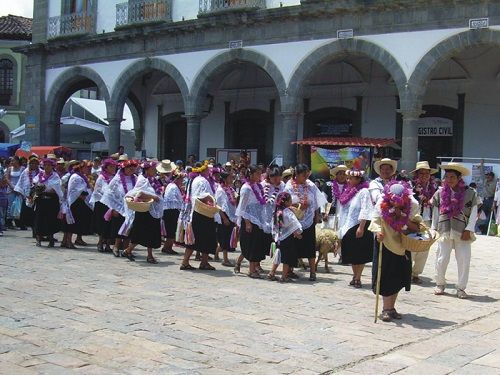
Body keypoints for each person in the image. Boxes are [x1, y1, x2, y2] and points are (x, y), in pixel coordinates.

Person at [369, 181, 422, 322]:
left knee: (398, 278)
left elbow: (417, 226)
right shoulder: (381, 202)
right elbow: (375, 220)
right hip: (385, 243)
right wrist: (378, 232)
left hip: (403, 243)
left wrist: (402, 217)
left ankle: (391, 308)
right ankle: (386, 309)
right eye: (393, 201)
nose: (395, 204)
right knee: (386, 277)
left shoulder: (412, 205)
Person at [432, 162, 478, 299]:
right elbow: (435, 211)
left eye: (452, 177)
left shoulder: (470, 193)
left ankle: (461, 288)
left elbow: (474, 212)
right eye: (447, 177)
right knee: (441, 258)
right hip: (444, 229)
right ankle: (440, 284)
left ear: (459, 178)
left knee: (464, 259)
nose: (449, 179)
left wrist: (469, 229)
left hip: (462, 230)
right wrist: (434, 228)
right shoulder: (440, 192)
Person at [284, 164, 327, 281]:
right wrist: (299, 206)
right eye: (303, 175)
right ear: (296, 175)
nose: (305, 178)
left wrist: (317, 214)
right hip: (294, 221)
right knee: (293, 247)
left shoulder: (311, 185)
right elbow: (284, 202)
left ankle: (313, 272)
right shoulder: (288, 186)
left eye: (307, 175)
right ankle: (290, 270)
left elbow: (317, 201)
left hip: (309, 220)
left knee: (310, 246)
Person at [123, 161, 164, 263]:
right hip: (143, 210)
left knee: (151, 233)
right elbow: (138, 194)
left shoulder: (153, 180)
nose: (155, 171)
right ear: (147, 170)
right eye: (153, 169)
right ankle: (129, 250)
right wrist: (153, 197)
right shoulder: (142, 179)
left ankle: (148, 255)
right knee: (139, 233)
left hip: (152, 210)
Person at [337, 170, 373, 288]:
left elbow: (365, 209)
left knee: (359, 254)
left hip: (358, 226)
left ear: (358, 180)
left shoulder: (364, 192)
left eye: (351, 178)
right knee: (352, 253)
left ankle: (358, 277)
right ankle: (354, 275)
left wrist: (361, 227)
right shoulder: (348, 191)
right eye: (348, 178)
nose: (348, 180)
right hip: (348, 226)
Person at [101, 159, 138, 257]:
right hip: (120, 207)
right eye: (129, 168)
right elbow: (109, 194)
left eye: (133, 168)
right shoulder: (117, 179)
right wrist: (114, 208)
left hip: (131, 207)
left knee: (129, 229)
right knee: (118, 227)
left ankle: (126, 249)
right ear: (124, 168)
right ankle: (116, 246)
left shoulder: (135, 178)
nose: (131, 170)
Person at [235, 165, 267, 278]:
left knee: (256, 245)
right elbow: (243, 207)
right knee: (251, 245)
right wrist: (247, 222)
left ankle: (253, 267)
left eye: (260, 173)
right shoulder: (246, 188)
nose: (260, 176)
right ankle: (251, 270)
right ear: (251, 174)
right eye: (257, 174)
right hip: (249, 220)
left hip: (258, 219)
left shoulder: (258, 186)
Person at [184, 161, 218, 270]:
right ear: (203, 170)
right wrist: (212, 202)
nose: (210, 171)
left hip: (198, 211)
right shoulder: (203, 181)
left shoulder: (195, 180)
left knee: (198, 238)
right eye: (208, 169)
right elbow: (203, 196)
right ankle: (197, 262)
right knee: (203, 237)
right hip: (203, 212)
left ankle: (200, 262)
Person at [410, 161, 438, 284]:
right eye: (421, 173)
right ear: (417, 174)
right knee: (411, 246)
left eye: (427, 173)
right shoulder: (410, 186)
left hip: (427, 219)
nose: (424, 175)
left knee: (425, 246)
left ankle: (416, 273)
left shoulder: (435, 187)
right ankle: (407, 272)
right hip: (413, 219)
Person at [271, 192, 303, 282]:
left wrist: (275, 235)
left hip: (279, 238)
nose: (291, 202)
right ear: (286, 202)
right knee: (287, 259)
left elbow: (274, 226)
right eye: (290, 200)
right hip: (288, 238)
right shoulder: (288, 213)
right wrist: (298, 233)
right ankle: (284, 276)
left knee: (278, 255)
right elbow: (294, 224)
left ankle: (272, 273)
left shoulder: (276, 212)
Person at [31, 159, 63, 247]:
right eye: (45, 165)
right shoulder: (40, 175)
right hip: (41, 200)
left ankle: (51, 238)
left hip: (51, 200)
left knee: (51, 219)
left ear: (52, 166)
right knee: (39, 219)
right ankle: (38, 239)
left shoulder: (55, 176)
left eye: (49, 165)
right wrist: (38, 188)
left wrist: (44, 188)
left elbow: (56, 188)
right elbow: (35, 182)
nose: (47, 167)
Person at [90, 158, 118, 252]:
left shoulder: (114, 177)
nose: (113, 168)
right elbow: (103, 190)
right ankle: (100, 242)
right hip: (102, 203)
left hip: (111, 203)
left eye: (114, 167)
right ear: (106, 168)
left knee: (110, 224)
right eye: (111, 167)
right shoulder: (101, 177)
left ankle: (108, 244)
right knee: (102, 224)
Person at [214, 171, 237, 266]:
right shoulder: (220, 190)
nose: (232, 179)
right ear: (224, 179)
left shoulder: (230, 189)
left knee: (228, 237)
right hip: (224, 216)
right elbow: (218, 206)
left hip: (230, 215)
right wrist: (224, 218)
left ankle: (215, 252)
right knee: (225, 238)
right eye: (230, 177)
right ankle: (225, 259)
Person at [161, 167, 185, 255]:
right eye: (181, 179)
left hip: (171, 210)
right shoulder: (173, 187)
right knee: (171, 229)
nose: (182, 181)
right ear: (177, 179)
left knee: (171, 230)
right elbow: (173, 201)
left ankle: (166, 247)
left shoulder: (173, 186)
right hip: (171, 210)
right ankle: (168, 247)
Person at [14, 155, 40, 234]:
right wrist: (23, 194)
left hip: (38, 196)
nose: (33, 165)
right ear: (29, 164)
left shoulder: (41, 172)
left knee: (37, 215)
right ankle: (33, 230)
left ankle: (36, 232)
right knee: (28, 215)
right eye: (32, 163)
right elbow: (21, 183)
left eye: (35, 163)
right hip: (28, 196)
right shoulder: (25, 172)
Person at [5, 156, 25, 229]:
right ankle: (9, 222)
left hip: (19, 189)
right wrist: (12, 187)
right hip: (11, 189)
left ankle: (19, 222)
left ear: (17, 161)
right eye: (11, 161)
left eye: (13, 161)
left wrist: (18, 188)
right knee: (10, 206)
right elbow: (7, 178)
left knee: (19, 205)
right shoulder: (10, 169)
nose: (11, 162)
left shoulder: (22, 168)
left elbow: (24, 178)